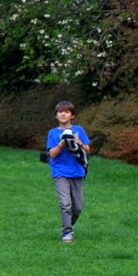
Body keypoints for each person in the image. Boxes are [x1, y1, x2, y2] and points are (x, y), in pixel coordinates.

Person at [46, 100, 92, 243]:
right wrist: (62, 143)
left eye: (66, 112)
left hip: (77, 171)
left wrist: (79, 143)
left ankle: (68, 224)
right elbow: (52, 154)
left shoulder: (79, 130)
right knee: (65, 203)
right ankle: (67, 232)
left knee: (77, 207)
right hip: (60, 172)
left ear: (72, 115)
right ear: (56, 115)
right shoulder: (53, 133)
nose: (63, 114)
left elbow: (88, 150)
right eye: (60, 112)